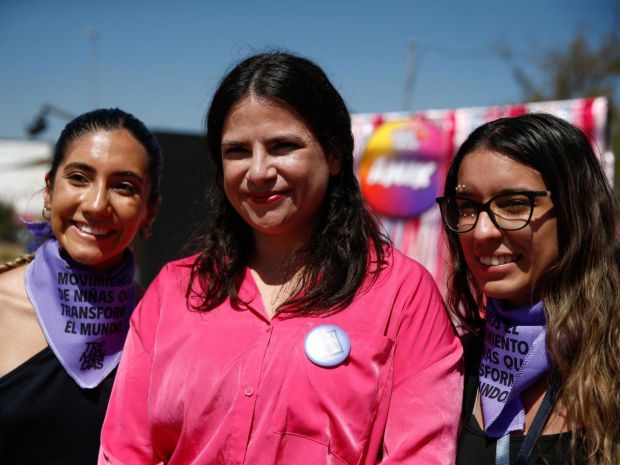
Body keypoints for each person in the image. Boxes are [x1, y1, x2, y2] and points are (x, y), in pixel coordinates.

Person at [100, 51, 463, 465]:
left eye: (283, 146)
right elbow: (124, 451)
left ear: (334, 154)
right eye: (237, 151)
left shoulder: (403, 293)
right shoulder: (174, 290)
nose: (257, 171)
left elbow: (421, 456)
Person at [436, 113, 620, 465]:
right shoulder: (450, 367)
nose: (482, 232)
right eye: (466, 208)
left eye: (514, 204)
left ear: (574, 208)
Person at [0, 108, 162, 465]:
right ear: (48, 190)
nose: (96, 204)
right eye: (78, 178)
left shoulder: (161, 329)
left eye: (124, 186)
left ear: (150, 211)